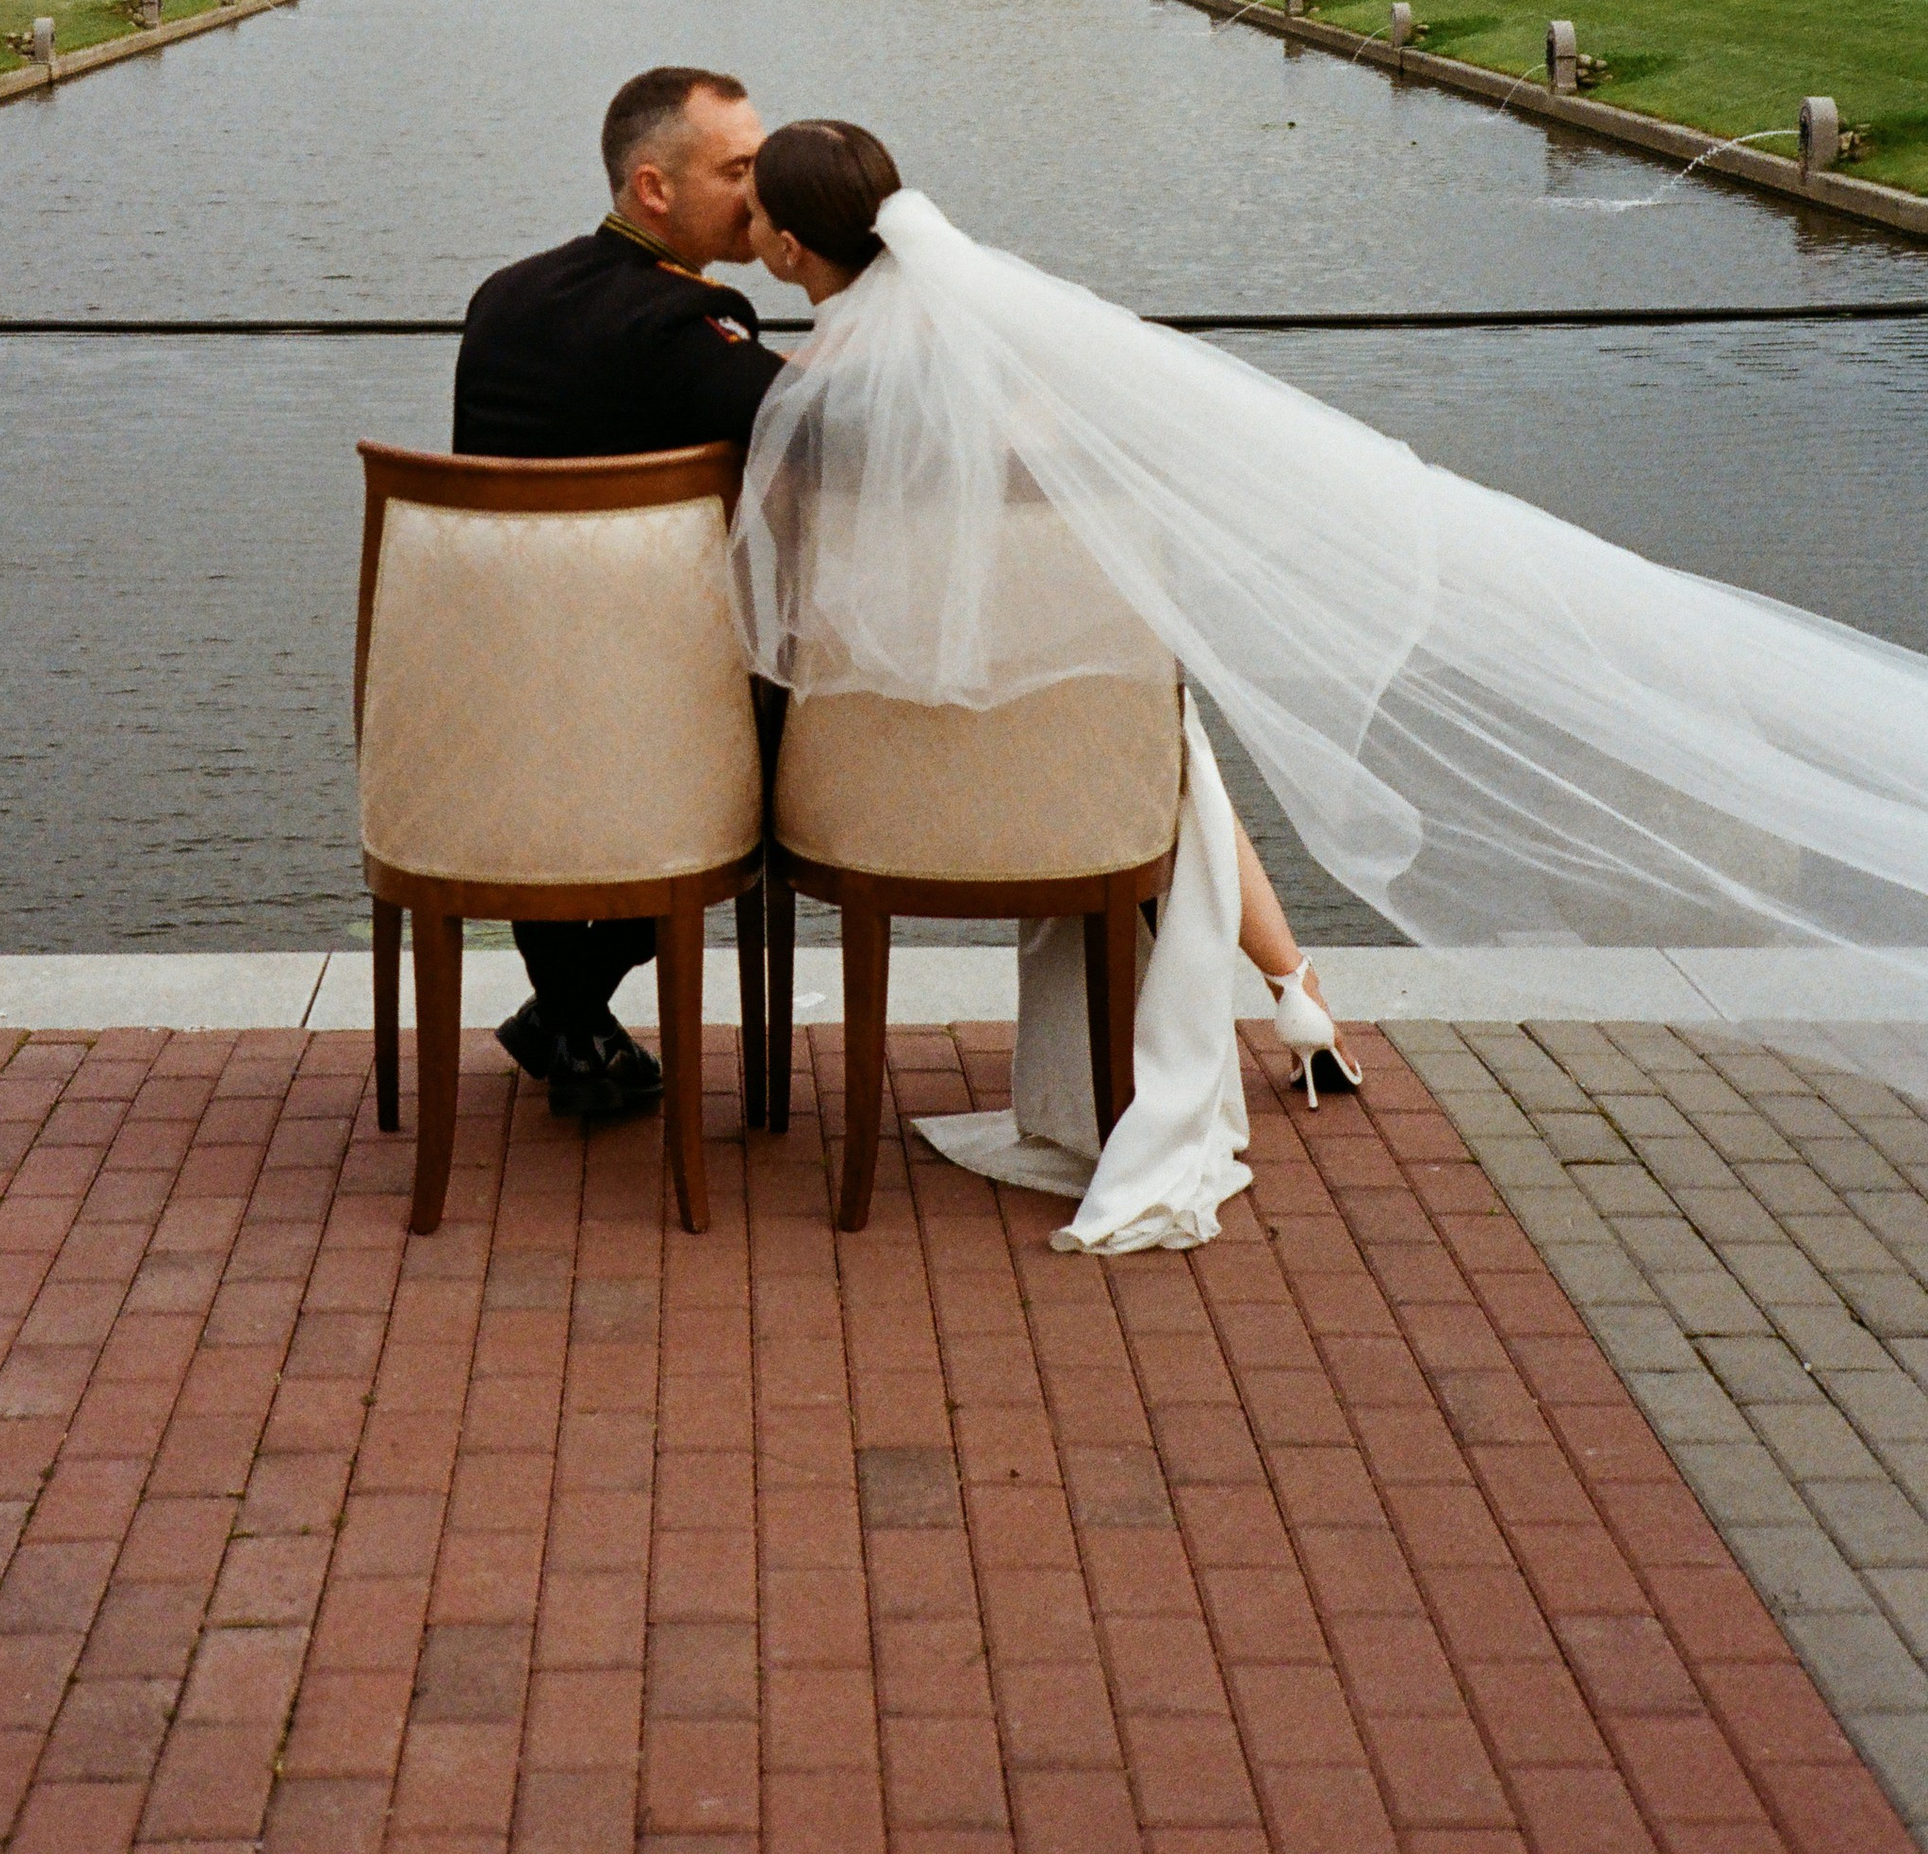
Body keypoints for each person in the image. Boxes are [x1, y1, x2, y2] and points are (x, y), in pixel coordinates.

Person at [731, 118, 1928, 1253]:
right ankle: (1294, 987)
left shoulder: (799, 396)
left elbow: (773, 602)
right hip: (1069, 782)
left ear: (787, 249)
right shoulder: (1030, 385)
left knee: (1133, 736)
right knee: (1147, 736)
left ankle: (1288, 987)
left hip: (873, 786)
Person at [454, 64, 783, 1122]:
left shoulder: (501, 297)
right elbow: (825, 433)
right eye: (739, 172)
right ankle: (570, 1010)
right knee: (792, 753)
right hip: (644, 722)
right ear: (653, 190)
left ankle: (565, 1012)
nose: (759, 192)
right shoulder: (686, 323)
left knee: (558, 752)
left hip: (491, 699)